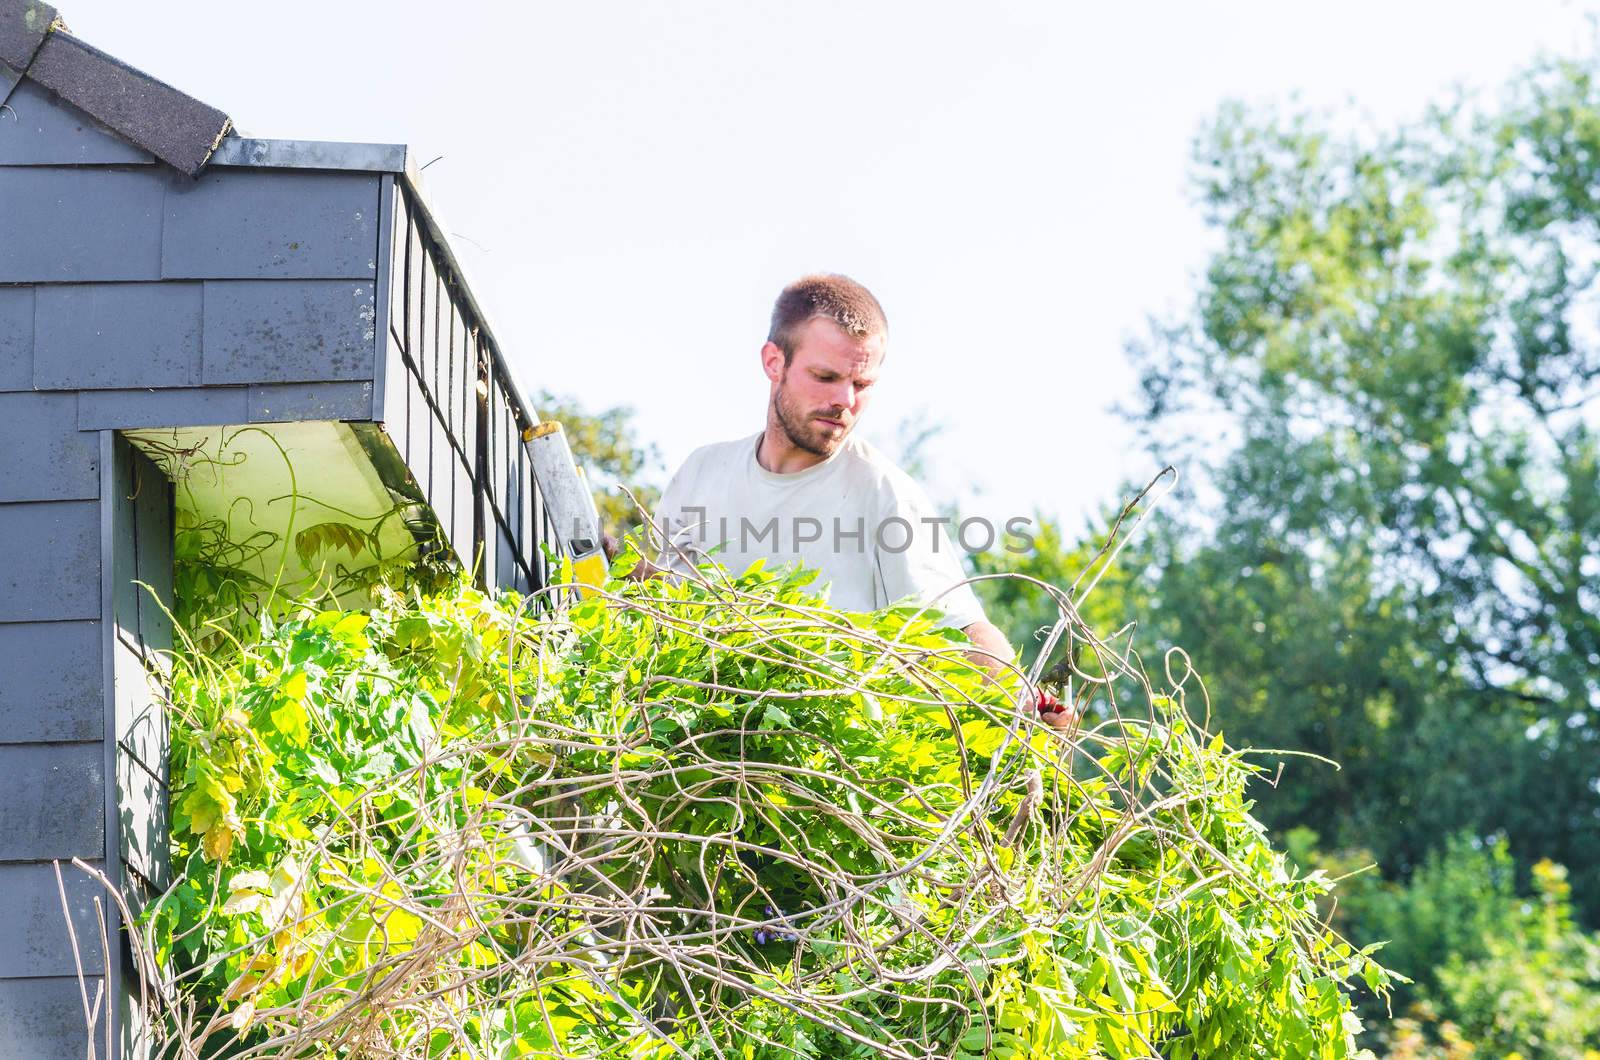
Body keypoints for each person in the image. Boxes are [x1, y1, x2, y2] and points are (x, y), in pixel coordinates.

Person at [640, 273, 1074, 730]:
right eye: (825, 377)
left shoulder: (884, 494)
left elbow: (961, 629)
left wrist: (1020, 701)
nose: (844, 400)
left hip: (815, 777)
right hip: (687, 764)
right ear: (773, 362)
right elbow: (670, 607)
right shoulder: (700, 474)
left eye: (861, 384)